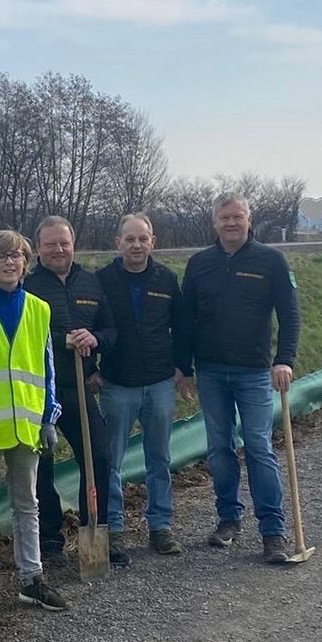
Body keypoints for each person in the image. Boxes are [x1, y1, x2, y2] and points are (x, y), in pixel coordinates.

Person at [180, 192, 300, 564]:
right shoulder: (199, 264)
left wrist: (284, 361)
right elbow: (185, 321)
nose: (231, 223)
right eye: (224, 218)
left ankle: (273, 531)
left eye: (238, 217)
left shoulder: (271, 261)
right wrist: (184, 368)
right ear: (214, 222)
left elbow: (290, 314)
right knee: (219, 448)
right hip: (212, 372)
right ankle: (228, 520)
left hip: (254, 372)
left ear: (249, 219)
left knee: (260, 448)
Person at [0, 230, 68, 617]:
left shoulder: (39, 309)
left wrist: (48, 417)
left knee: (28, 504)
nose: (9, 262)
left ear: (25, 263)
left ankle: (32, 579)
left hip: (26, 424)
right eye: (2, 256)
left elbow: (47, 366)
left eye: (16, 256)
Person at [25, 216, 124, 565]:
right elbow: (22, 338)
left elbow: (112, 330)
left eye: (63, 243)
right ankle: (50, 539)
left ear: (73, 244)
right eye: (50, 244)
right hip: (40, 391)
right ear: (39, 248)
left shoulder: (90, 282)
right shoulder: (28, 287)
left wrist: (95, 339)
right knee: (42, 467)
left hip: (79, 388)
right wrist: (61, 340)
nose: (58, 249)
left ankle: (96, 533)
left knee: (98, 458)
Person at [95, 213, 190, 560]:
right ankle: (115, 529)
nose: (136, 245)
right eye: (129, 239)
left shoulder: (166, 278)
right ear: (117, 242)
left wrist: (184, 368)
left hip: (161, 382)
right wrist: (92, 369)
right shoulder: (102, 280)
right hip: (118, 385)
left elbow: (182, 326)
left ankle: (160, 526)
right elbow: (92, 326)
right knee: (113, 460)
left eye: (143, 238)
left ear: (153, 241)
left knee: (159, 457)